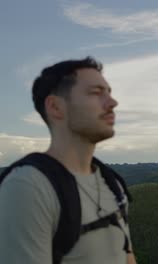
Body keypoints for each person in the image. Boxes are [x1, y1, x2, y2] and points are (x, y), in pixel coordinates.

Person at [0, 57, 137, 264]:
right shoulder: (28, 186)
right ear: (55, 107)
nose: (112, 102)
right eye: (96, 93)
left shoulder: (111, 183)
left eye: (109, 92)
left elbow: (126, 255)